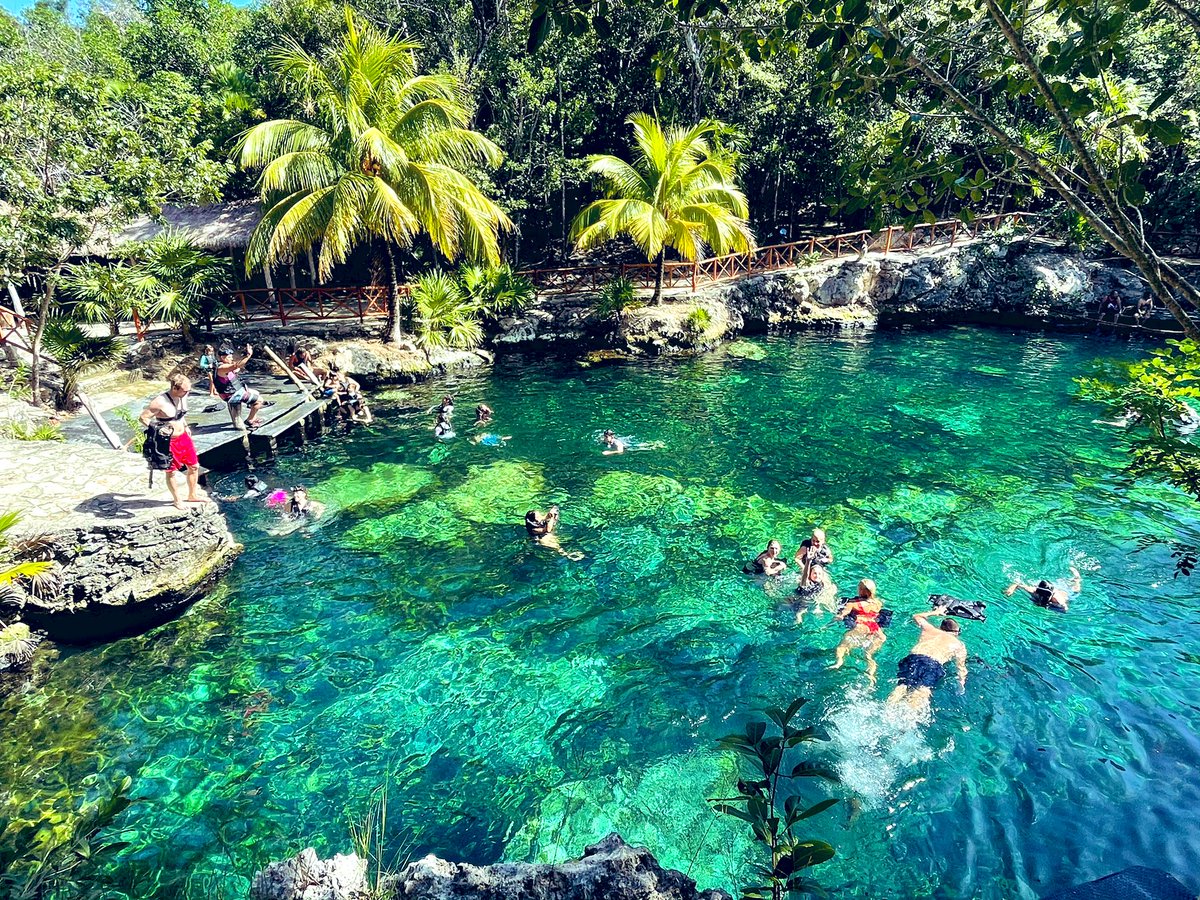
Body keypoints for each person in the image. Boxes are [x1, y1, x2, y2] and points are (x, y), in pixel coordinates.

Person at [138, 374, 209, 510]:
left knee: (194, 466)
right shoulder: (159, 402)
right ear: (175, 388)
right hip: (168, 441)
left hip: (183, 437)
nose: (188, 393)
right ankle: (177, 500)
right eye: (185, 390)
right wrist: (158, 429)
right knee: (171, 471)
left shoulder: (182, 397)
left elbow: (180, 415)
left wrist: (186, 426)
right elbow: (143, 418)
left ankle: (192, 495)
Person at [887, 609, 968, 716]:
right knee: (921, 691)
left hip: (913, 658)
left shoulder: (929, 629)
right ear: (956, 632)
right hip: (932, 664)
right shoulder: (959, 645)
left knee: (902, 685)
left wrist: (935, 612)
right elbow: (961, 668)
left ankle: (888, 709)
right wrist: (961, 685)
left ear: (941, 628)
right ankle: (907, 719)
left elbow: (916, 615)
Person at [830, 578, 887, 685]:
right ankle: (871, 675)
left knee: (842, 646)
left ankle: (839, 662)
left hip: (861, 626)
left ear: (860, 590)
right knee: (868, 655)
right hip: (875, 629)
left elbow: (843, 614)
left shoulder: (853, 603)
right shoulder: (878, 603)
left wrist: (836, 618)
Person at [214, 344, 265, 430]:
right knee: (259, 401)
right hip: (231, 395)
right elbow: (236, 366)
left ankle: (253, 413)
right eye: (230, 357)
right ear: (223, 357)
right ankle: (250, 420)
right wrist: (248, 355)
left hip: (235, 391)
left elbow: (236, 367)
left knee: (256, 393)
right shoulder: (222, 367)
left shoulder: (226, 366)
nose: (232, 359)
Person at [1004, 566, 1082, 612]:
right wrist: (1011, 589)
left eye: (1047, 595)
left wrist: (1059, 611)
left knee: (1076, 590)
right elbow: (1018, 584)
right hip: (1050, 590)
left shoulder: (1058, 600)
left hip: (1064, 592)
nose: (1044, 596)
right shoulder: (1034, 591)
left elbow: (1065, 609)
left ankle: (1077, 578)